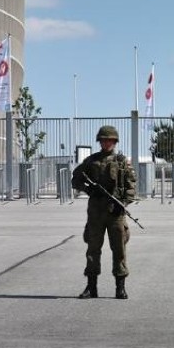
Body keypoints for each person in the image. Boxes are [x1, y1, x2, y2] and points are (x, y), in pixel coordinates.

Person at [71, 125, 137, 300]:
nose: (106, 143)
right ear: (99, 141)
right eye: (103, 140)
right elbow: (75, 178)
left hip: (115, 212)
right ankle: (91, 287)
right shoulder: (91, 161)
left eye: (110, 140)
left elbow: (131, 187)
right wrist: (88, 189)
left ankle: (120, 287)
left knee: (119, 249)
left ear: (115, 142)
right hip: (95, 212)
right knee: (93, 249)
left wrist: (123, 203)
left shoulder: (122, 162)